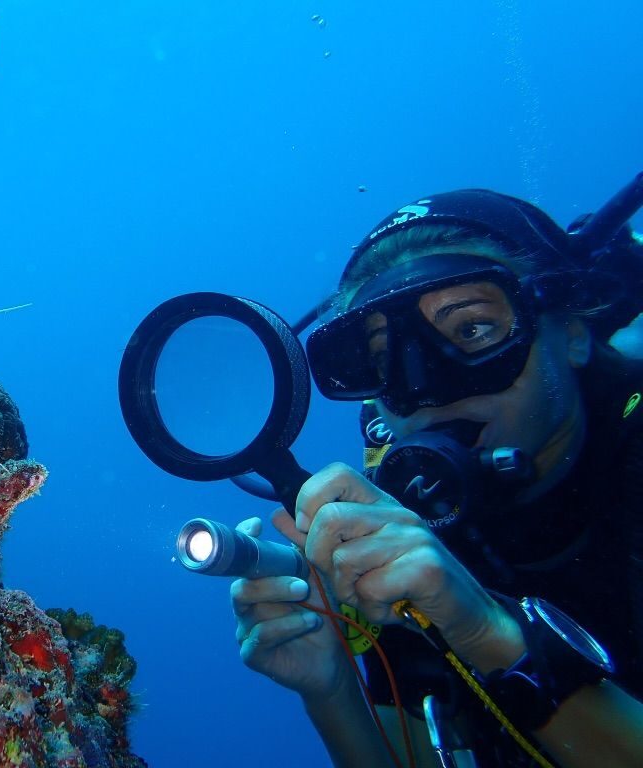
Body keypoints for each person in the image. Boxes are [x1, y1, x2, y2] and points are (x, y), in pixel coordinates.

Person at [230, 188, 643, 767]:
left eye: (473, 329)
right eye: (387, 358)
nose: (427, 389)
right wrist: (332, 689)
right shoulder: (407, 527)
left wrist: (480, 631)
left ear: (571, 332)